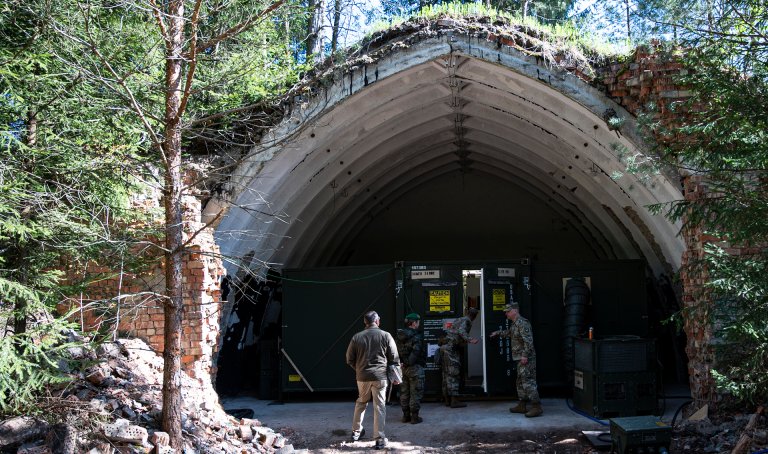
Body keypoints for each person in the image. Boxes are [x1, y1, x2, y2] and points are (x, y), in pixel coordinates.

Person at [346, 310, 401, 449]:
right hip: (380, 377)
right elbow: (394, 358)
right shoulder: (385, 335)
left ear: (365, 322)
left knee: (361, 402)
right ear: (377, 321)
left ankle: (355, 433)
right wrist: (396, 377)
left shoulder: (356, 337)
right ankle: (379, 439)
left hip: (362, 377)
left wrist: (359, 370)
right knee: (379, 407)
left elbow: (349, 359)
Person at [490, 303, 543, 417]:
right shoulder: (515, 324)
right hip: (519, 357)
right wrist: (498, 333)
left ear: (515, 310)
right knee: (520, 381)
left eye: (508, 311)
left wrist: (525, 355)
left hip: (525, 358)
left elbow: (528, 341)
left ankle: (536, 406)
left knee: (528, 381)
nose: (506, 313)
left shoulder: (523, 323)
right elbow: (510, 333)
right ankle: (522, 405)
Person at [439, 307, 479, 408]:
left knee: (446, 374)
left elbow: (452, 332)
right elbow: (461, 331)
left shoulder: (459, 319)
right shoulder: (467, 321)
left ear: (467, 312)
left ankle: (447, 399)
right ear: (474, 316)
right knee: (453, 373)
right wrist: (470, 339)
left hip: (445, 347)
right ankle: (454, 401)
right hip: (451, 349)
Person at [395, 312, 426, 424]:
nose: (419, 324)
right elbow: (416, 353)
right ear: (413, 323)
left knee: (404, 392)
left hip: (402, 368)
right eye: (418, 322)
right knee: (416, 393)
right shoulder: (417, 336)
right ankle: (414, 417)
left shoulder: (399, 336)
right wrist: (408, 362)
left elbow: (395, 352)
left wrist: (402, 362)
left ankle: (405, 416)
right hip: (415, 368)